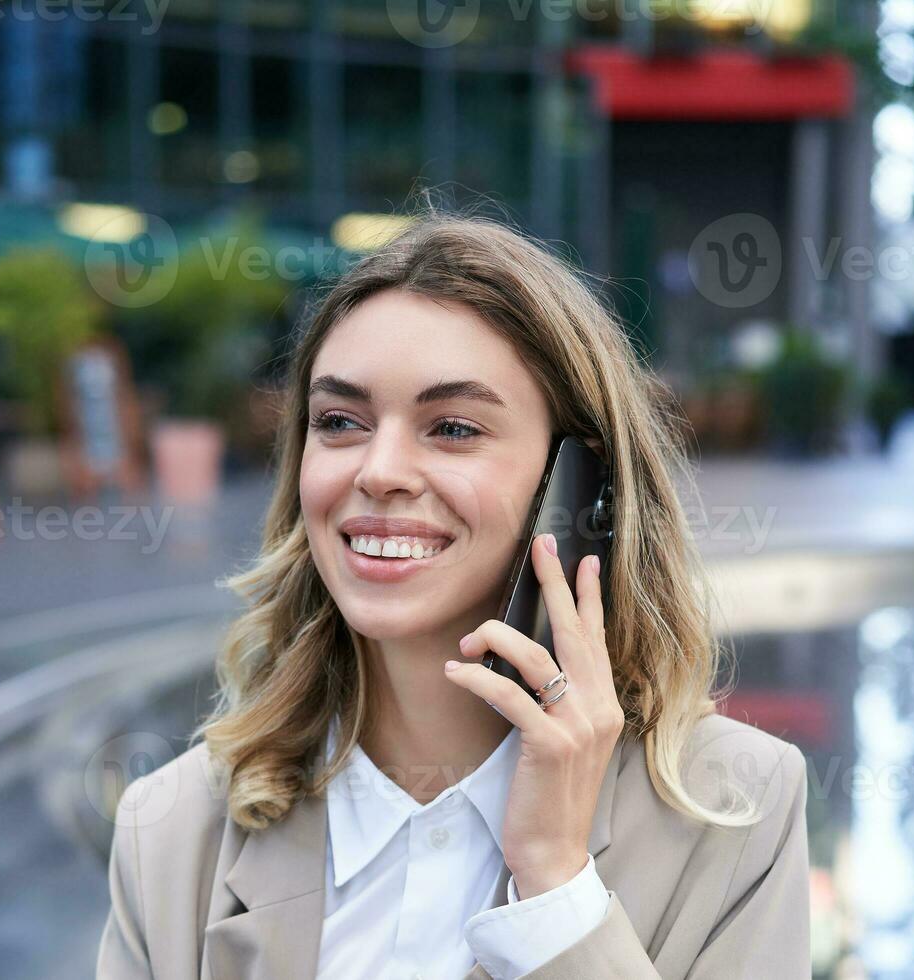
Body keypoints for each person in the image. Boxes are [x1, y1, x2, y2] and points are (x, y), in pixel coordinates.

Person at [97, 217, 811, 980]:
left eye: (453, 428)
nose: (379, 470)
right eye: (339, 422)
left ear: (579, 483)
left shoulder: (737, 806)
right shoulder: (172, 830)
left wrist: (555, 887)